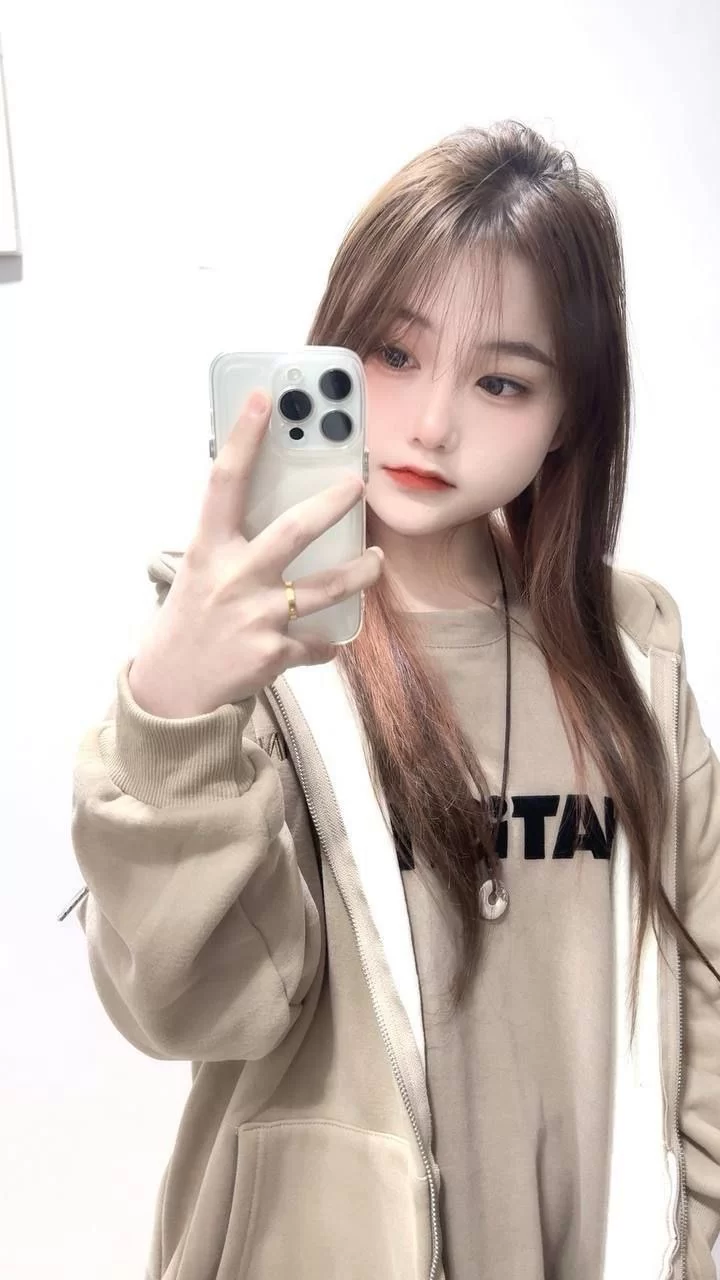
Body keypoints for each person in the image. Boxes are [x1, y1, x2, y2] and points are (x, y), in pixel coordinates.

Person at [66, 121, 720, 1279]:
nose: (430, 423)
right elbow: (196, 1009)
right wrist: (174, 711)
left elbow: (705, 998)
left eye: (501, 380)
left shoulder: (633, 652)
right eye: (395, 354)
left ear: (569, 415)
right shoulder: (255, 653)